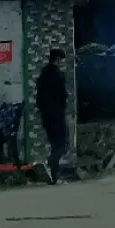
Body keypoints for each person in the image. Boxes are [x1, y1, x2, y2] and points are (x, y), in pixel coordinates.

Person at [35, 48, 69, 184]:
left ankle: (55, 175)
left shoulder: (43, 75)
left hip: (46, 116)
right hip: (57, 116)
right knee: (62, 144)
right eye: (62, 60)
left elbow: (38, 98)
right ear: (58, 59)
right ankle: (52, 168)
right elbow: (62, 96)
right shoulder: (58, 75)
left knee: (55, 144)